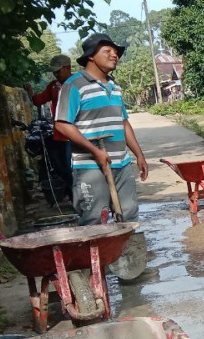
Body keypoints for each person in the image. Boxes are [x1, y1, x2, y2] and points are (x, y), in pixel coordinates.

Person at [54, 33, 148, 225]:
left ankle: (126, 253)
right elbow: (62, 124)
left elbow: (123, 122)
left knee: (129, 216)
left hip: (121, 164)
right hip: (89, 167)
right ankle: (98, 255)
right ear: (91, 56)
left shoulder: (115, 86)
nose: (115, 55)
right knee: (94, 220)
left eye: (116, 52)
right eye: (108, 51)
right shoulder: (74, 85)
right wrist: (95, 151)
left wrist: (139, 154)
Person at [25, 54, 74, 200]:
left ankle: (78, 195)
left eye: (58, 71)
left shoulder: (78, 83)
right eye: (55, 72)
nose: (56, 74)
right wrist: (30, 92)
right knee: (61, 167)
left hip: (75, 134)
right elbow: (39, 100)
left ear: (67, 68)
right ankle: (72, 194)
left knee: (73, 168)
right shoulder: (53, 86)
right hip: (59, 134)